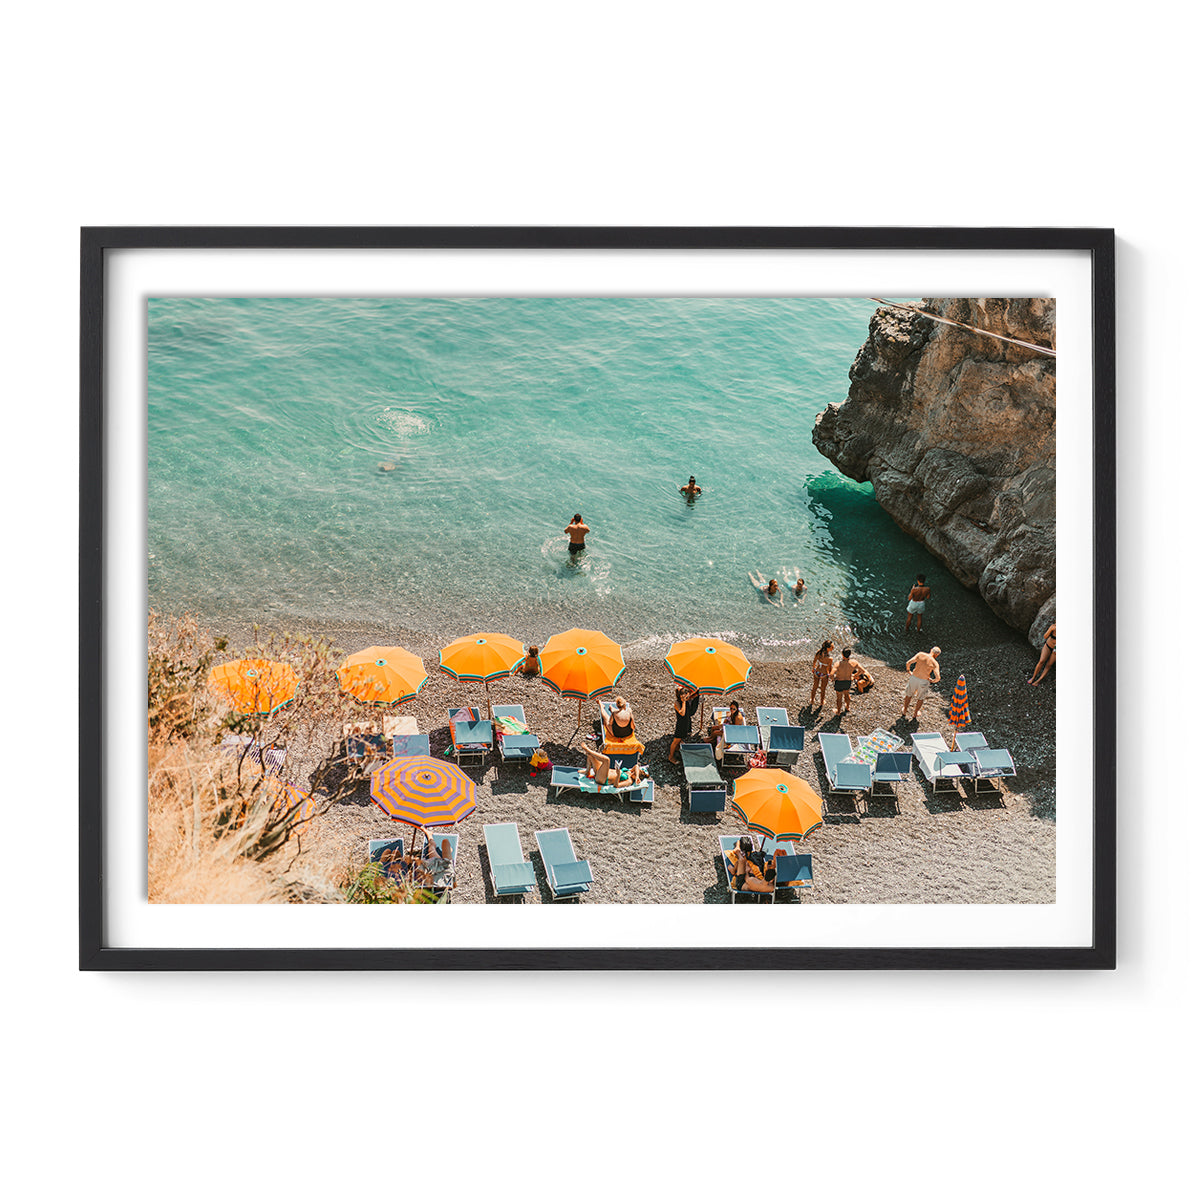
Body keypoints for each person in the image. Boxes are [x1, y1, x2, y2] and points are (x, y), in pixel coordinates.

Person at [380, 826, 452, 887]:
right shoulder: (446, 872)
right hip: (445, 870)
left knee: (389, 852)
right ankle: (432, 837)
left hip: (440, 871)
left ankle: (385, 866)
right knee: (444, 843)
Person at [582, 742, 646, 789]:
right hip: (601, 772)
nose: (633, 773)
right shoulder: (630, 772)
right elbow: (636, 766)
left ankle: (587, 749)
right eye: (634, 772)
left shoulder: (629, 781)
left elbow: (616, 786)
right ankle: (587, 771)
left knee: (607, 760)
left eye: (634, 774)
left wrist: (618, 775)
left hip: (603, 779)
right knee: (590, 756)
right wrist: (637, 776)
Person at [901, 646, 941, 720]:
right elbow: (938, 677)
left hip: (914, 678)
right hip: (924, 681)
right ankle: (915, 713)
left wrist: (908, 670)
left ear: (931, 650)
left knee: (909, 694)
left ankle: (905, 710)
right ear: (937, 655)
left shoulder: (920, 654)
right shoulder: (935, 663)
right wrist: (933, 680)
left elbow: (908, 662)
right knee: (920, 698)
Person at [667, 683, 701, 764]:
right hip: (680, 724)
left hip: (685, 723)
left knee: (680, 738)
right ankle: (671, 757)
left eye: (685, 695)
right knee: (675, 740)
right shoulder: (677, 703)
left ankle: (678, 747)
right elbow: (682, 713)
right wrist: (684, 702)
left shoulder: (687, 698)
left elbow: (694, 693)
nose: (684, 697)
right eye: (682, 695)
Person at [832, 647, 861, 716]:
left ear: (842, 654)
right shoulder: (854, 662)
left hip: (839, 681)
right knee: (847, 694)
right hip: (848, 681)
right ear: (850, 654)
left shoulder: (837, 663)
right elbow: (862, 671)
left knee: (839, 697)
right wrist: (854, 676)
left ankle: (838, 712)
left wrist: (834, 678)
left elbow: (831, 674)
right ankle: (847, 707)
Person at [809, 639, 834, 709]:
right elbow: (829, 668)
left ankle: (812, 699)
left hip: (817, 672)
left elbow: (814, 661)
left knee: (815, 687)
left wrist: (813, 669)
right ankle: (822, 701)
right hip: (824, 674)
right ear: (828, 648)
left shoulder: (818, 653)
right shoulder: (830, 658)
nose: (833, 648)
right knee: (823, 689)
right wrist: (831, 675)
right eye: (832, 647)